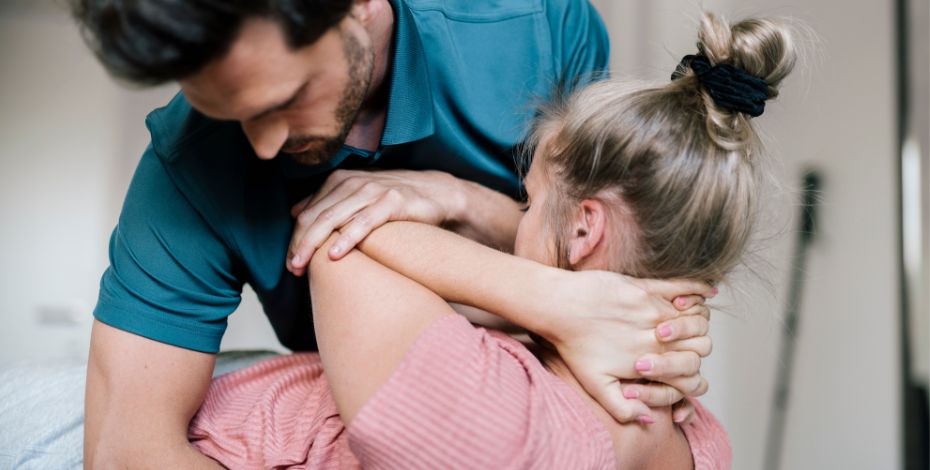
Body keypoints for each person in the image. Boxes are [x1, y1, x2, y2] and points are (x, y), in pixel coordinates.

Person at [69, 0, 714, 467]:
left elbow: (619, 253)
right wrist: (548, 298)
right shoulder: (189, 168)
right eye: (232, 114)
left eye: (284, 98)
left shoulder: (540, 28)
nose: (263, 145)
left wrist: (453, 199)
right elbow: (127, 450)